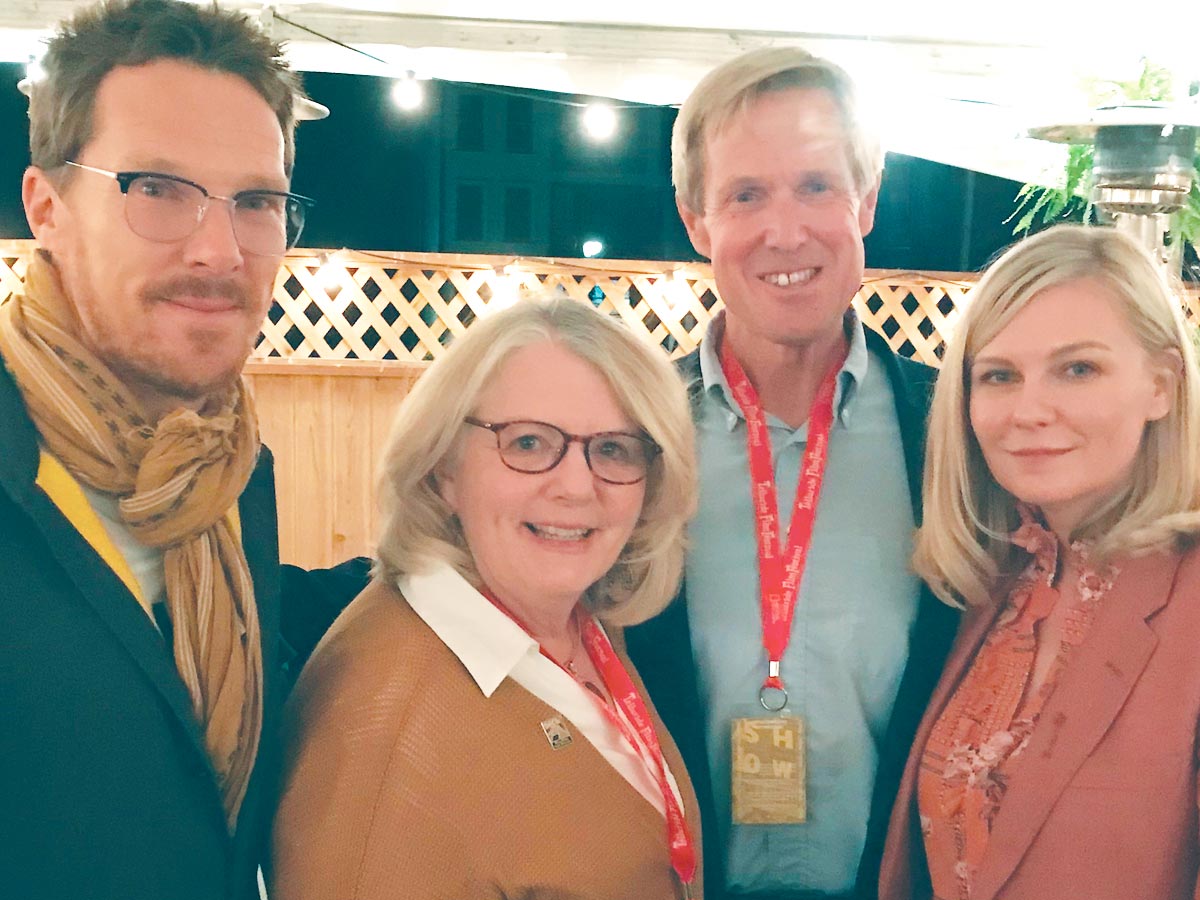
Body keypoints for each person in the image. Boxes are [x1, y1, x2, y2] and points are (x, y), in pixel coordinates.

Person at [0, 1, 319, 897]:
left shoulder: (227, 468)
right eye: (158, 189)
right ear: (47, 208)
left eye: (256, 201)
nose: (219, 250)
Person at [625, 47, 959, 900]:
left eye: (816, 186)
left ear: (868, 202)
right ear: (697, 220)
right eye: (746, 194)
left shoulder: (955, 437)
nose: (785, 230)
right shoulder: (625, 438)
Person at [271, 297, 703, 899]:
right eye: (527, 444)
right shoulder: (393, 738)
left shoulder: (576, 624)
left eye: (613, 449)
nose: (577, 487)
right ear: (443, 467)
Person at [878, 224, 1200, 899]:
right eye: (999, 375)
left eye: (1077, 368)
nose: (1029, 410)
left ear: (1162, 385)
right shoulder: (1001, 583)